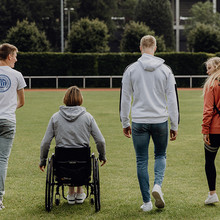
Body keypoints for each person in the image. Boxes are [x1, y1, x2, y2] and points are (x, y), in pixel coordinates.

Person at [120, 35, 179, 212]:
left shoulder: (131, 69)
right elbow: (172, 100)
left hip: (139, 121)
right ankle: (158, 185)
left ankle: (146, 202)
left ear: (140, 48)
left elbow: (125, 99)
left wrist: (125, 121)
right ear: (155, 47)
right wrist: (174, 124)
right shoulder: (166, 70)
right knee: (160, 155)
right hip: (160, 120)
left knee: (141, 161)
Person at [39, 86, 106, 204]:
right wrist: (102, 156)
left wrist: (43, 160)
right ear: (80, 99)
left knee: (65, 156)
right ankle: (80, 192)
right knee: (81, 156)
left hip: (62, 160)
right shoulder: (88, 117)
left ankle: (70, 193)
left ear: (65, 99)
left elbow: (45, 142)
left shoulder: (55, 117)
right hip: (83, 159)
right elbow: (100, 140)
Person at [0, 43, 26, 210]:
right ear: (9, 56)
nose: (16, 59)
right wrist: (9, 108)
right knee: (2, 160)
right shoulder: (17, 75)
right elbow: (22, 102)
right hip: (8, 121)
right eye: (15, 56)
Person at [202, 57, 220, 205]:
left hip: (215, 130)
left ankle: (212, 194)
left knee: (210, 161)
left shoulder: (212, 85)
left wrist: (205, 130)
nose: (207, 72)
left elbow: (208, 110)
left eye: (209, 68)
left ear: (216, 68)